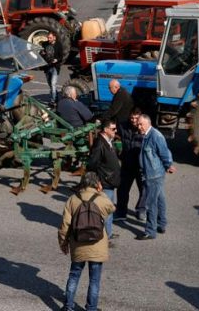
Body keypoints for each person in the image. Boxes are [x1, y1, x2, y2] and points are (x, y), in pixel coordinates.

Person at [57, 171, 116, 311]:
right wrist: (100, 192)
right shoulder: (101, 199)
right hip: (97, 245)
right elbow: (112, 207)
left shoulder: (72, 199)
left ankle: (68, 306)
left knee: (74, 276)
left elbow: (65, 225)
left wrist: (63, 243)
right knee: (94, 280)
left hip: (78, 244)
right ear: (97, 184)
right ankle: (91, 308)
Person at [136, 114, 176, 240]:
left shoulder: (155, 136)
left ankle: (150, 231)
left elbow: (164, 152)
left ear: (148, 123)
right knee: (160, 198)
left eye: (141, 124)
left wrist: (168, 164)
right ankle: (161, 224)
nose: (139, 127)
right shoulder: (147, 135)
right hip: (153, 173)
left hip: (153, 175)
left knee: (150, 203)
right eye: (138, 124)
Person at [86, 119, 121, 243]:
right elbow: (92, 164)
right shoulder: (100, 144)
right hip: (105, 183)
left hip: (110, 182)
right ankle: (104, 238)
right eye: (113, 129)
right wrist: (97, 182)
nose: (115, 131)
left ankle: (109, 233)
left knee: (110, 209)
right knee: (105, 211)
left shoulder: (108, 141)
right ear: (105, 130)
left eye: (115, 128)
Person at [114, 108, 146, 222]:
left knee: (144, 189)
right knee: (122, 189)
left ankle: (141, 210)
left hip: (141, 165)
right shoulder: (123, 126)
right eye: (132, 118)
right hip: (127, 164)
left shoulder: (145, 129)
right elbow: (114, 133)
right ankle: (121, 212)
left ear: (140, 118)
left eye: (136, 118)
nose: (133, 120)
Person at [40, 32, 63, 105]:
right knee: (50, 84)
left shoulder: (59, 45)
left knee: (53, 84)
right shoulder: (44, 44)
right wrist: (42, 53)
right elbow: (41, 54)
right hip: (47, 67)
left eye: (50, 38)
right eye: (48, 37)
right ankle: (56, 98)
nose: (48, 39)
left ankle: (53, 101)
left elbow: (61, 56)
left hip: (55, 67)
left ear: (54, 38)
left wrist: (56, 60)